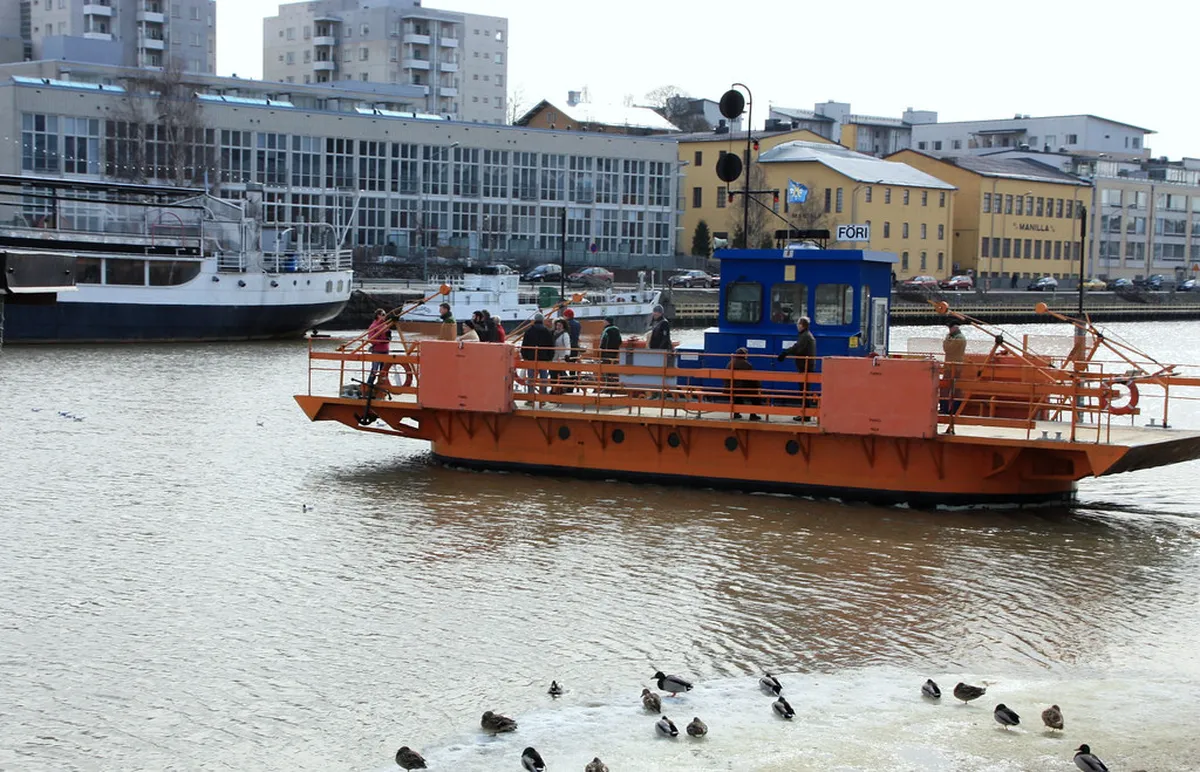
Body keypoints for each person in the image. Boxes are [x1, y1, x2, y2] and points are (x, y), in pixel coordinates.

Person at [777, 316, 817, 421]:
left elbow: (798, 348)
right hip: (806, 366)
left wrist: (785, 353)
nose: (797, 326)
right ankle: (805, 414)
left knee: (804, 391)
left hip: (805, 367)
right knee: (804, 391)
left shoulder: (805, 336)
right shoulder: (806, 335)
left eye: (798, 324)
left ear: (802, 325)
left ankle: (805, 415)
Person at [520, 312, 555, 393]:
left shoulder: (529, 331)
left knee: (531, 377)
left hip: (531, 357)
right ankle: (542, 396)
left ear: (534, 320)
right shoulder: (547, 331)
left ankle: (530, 396)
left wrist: (525, 356)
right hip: (544, 357)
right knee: (544, 377)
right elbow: (551, 346)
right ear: (543, 320)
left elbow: (524, 344)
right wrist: (550, 357)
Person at [729, 347, 761, 421]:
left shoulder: (730, 363)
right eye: (747, 354)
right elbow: (753, 379)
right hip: (741, 388)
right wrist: (758, 387)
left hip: (730, 388)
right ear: (744, 355)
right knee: (755, 396)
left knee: (738, 396)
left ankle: (736, 414)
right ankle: (753, 415)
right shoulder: (746, 364)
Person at [365, 308, 393, 387]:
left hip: (385, 349)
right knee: (374, 369)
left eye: (385, 315)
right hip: (377, 350)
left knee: (383, 370)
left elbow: (388, 337)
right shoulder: (373, 326)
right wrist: (381, 341)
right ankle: (369, 385)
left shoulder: (385, 325)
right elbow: (370, 339)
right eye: (383, 315)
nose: (385, 316)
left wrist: (389, 338)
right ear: (378, 316)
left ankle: (381, 385)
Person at [550, 318, 571, 393]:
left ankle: (560, 389)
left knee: (560, 373)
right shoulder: (553, 333)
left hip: (561, 356)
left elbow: (567, 345)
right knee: (552, 373)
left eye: (560, 325)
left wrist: (567, 355)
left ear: (563, 326)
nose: (558, 326)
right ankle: (553, 389)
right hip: (553, 356)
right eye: (557, 325)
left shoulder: (565, 334)